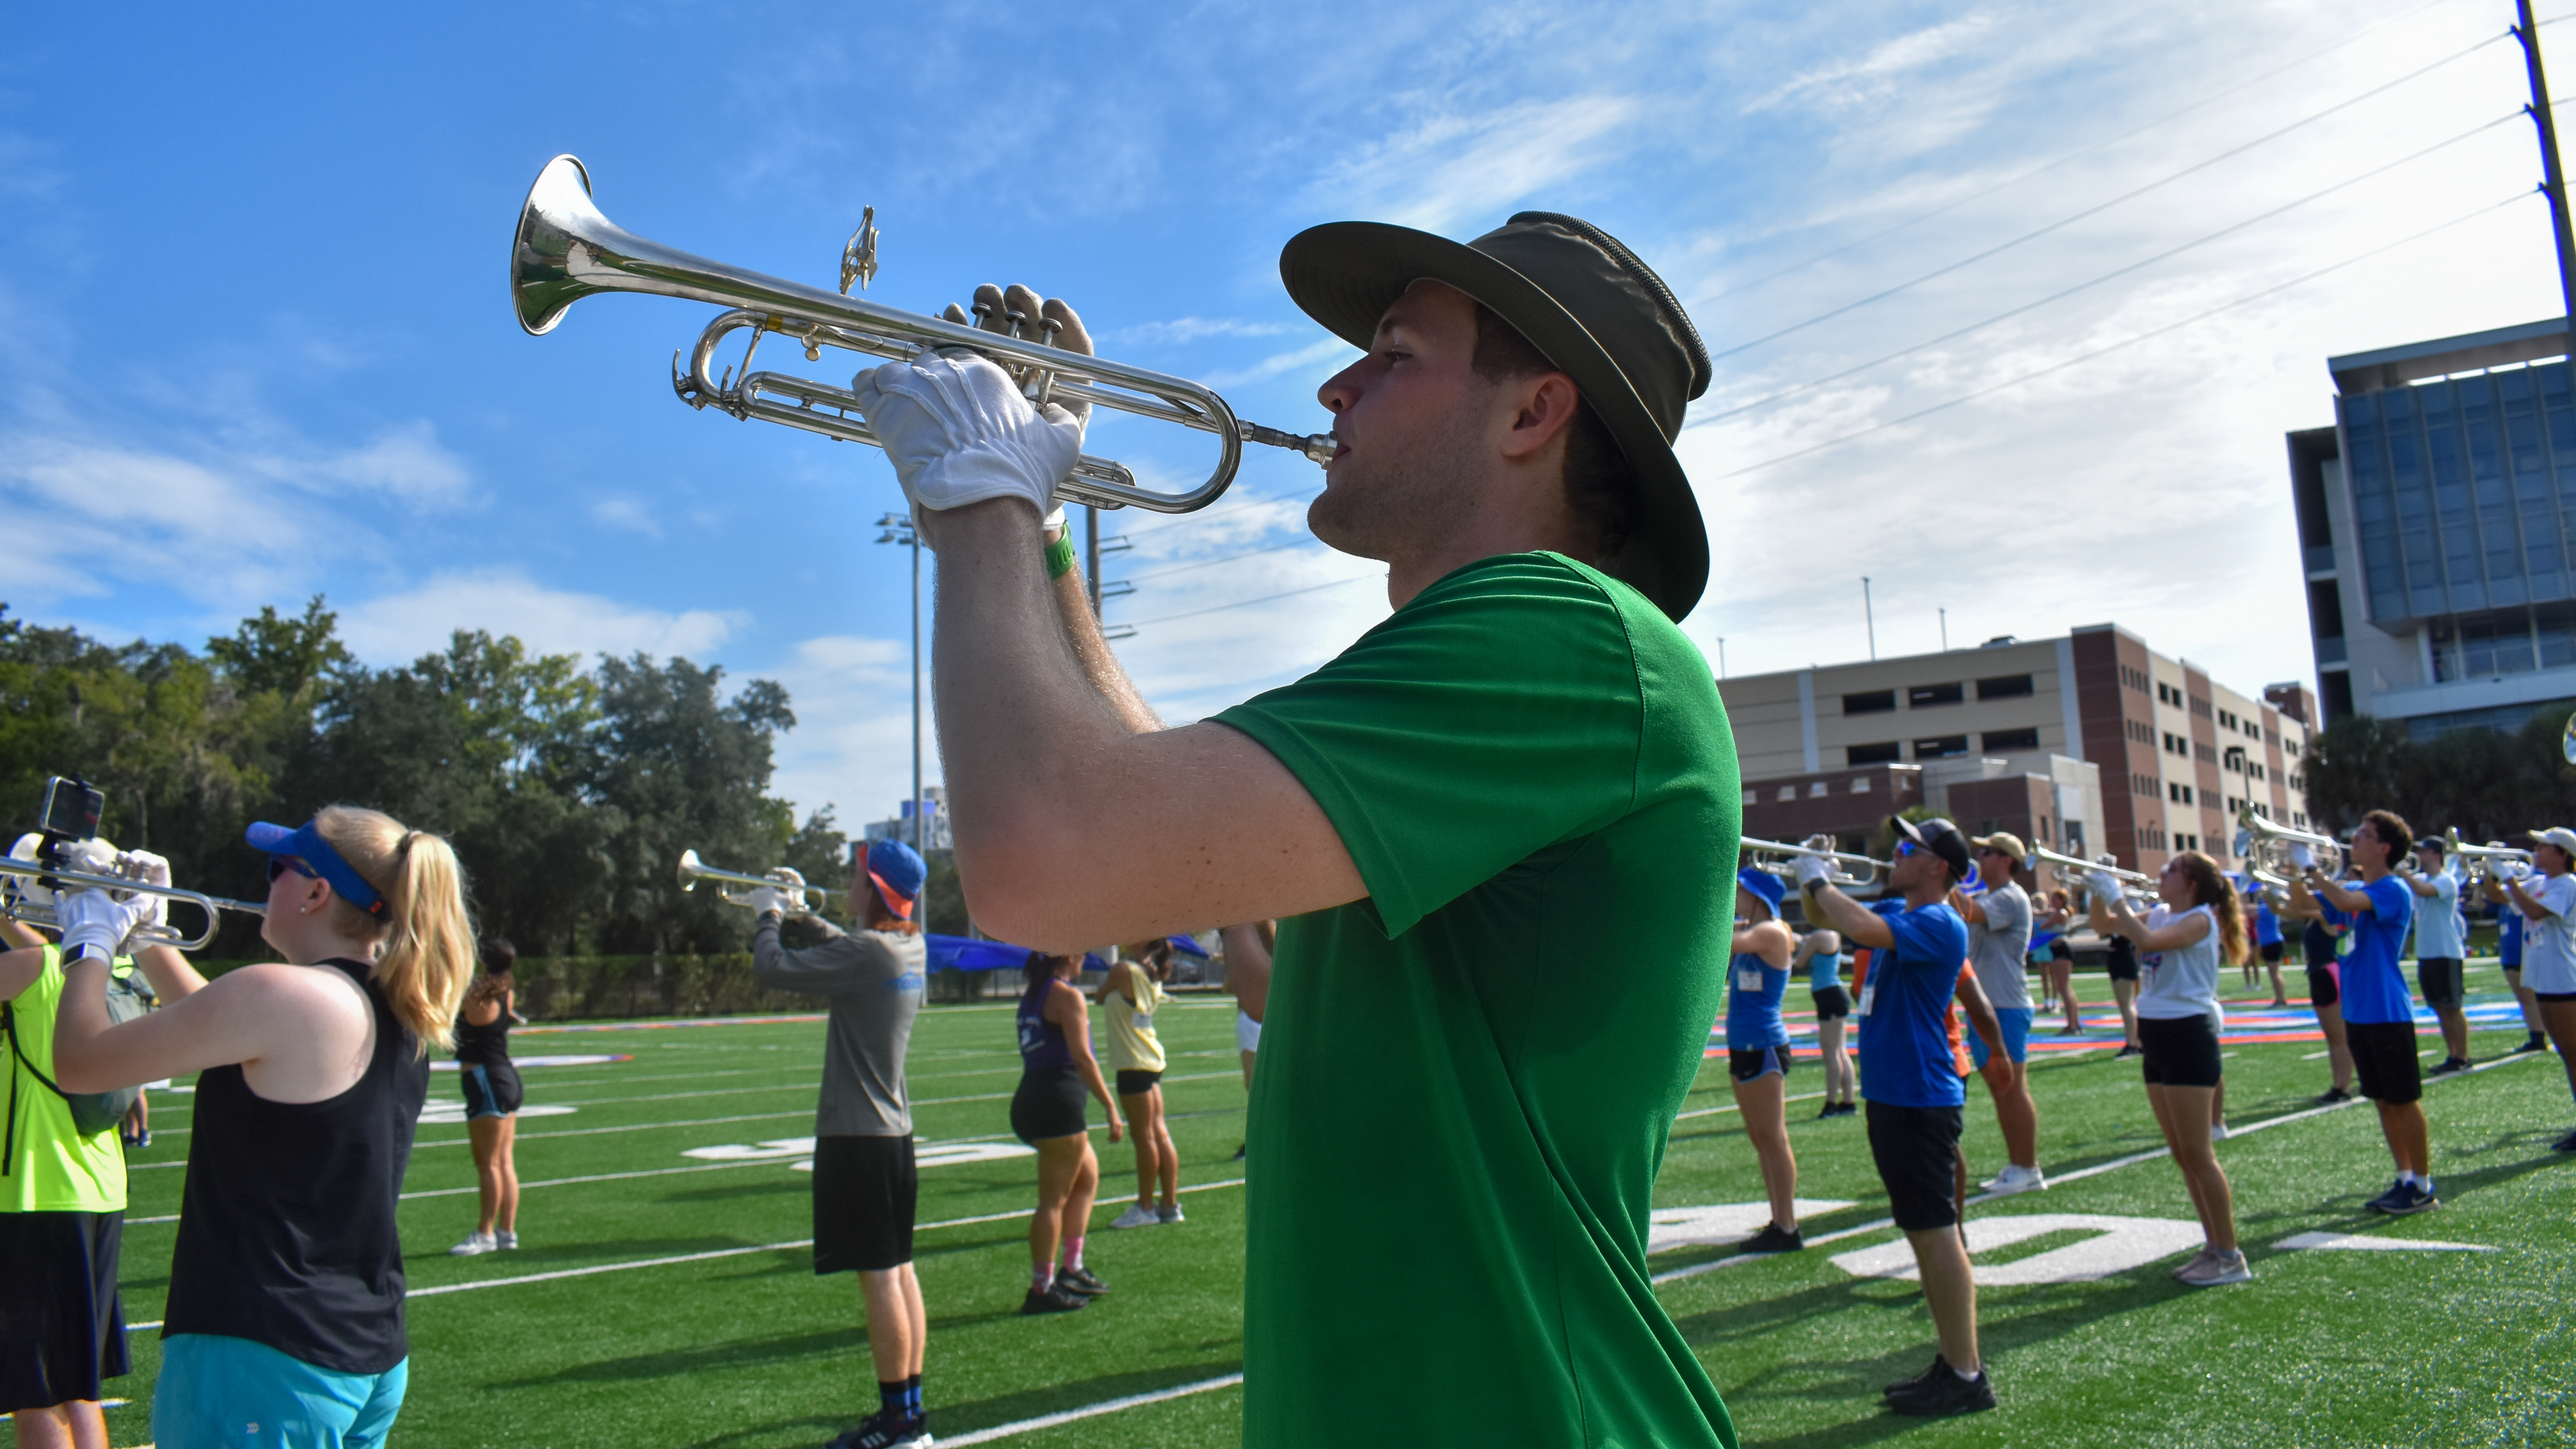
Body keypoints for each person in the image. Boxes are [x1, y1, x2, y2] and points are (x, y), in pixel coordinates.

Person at [852, 210, 1739, 1443]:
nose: (1334, 383)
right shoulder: (1508, 646)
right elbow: (1148, 811)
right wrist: (1045, 533)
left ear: (1533, 414)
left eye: (1393, 353)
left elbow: (1041, 860)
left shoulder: (1562, 631)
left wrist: (975, 499)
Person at [49, 808, 472, 1449]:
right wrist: (148, 934)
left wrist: (90, 941)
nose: (267, 880)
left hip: (261, 1348)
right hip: (360, 1344)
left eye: (279, 867)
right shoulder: (395, 1001)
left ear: (315, 891)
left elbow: (80, 1063)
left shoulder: (281, 995)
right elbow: (216, 1023)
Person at [1801, 816, 2005, 1418]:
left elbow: (1855, 923)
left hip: (1919, 1094)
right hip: (1898, 1092)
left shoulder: (1939, 919)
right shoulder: (1909, 914)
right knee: (1922, 1229)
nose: (1897, 852)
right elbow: (1829, 919)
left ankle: (1967, 1374)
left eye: (1910, 847)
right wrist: (1818, 883)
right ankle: (1953, 1359)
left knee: (1936, 1230)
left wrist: (1816, 876)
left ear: (1938, 866)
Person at [747, 838, 933, 1449]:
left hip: (858, 1134)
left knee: (879, 1277)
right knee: (900, 1270)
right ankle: (909, 1411)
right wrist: (805, 914)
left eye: (857, 874)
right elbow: (849, 947)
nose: (849, 882)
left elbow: (772, 968)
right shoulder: (907, 945)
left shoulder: (871, 951)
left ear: (875, 888)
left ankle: (897, 1423)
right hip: (894, 1136)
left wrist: (769, 915)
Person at [0, 866, 151, 1449]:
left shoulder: (33, 971)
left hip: (36, 1189)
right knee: (75, 1380)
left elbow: (36, 959)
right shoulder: (120, 970)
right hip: (99, 1185)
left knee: (30, 1384)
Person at [2089, 851, 2253, 1287]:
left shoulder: (2200, 919)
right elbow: (2105, 926)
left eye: (2172, 870)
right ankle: (2213, 1245)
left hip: (2188, 1035)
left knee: (2199, 1153)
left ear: (2193, 884)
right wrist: (2097, 890)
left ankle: (2230, 1254)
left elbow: (2146, 942)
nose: (2162, 874)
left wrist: (2116, 897)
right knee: (2182, 1153)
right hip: (2157, 1034)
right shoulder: (2160, 912)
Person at [2287, 811, 2435, 1215]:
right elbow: (2300, 908)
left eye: (2365, 835)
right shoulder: (2349, 885)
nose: (2355, 838)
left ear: (2384, 848)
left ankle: (2423, 1185)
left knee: (2404, 1100)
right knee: (2383, 1102)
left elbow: (2346, 902)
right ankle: (2404, 1178)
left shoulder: (2394, 889)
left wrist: (2310, 865)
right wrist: (2294, 870)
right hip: (2359, 1011)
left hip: (2387, 1009)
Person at [1011, 953, 1121, 1315]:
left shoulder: (1036, 991)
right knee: (1052, 1201)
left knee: (1087, 1176)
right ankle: (1041, 1288)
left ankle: (1072, 1267)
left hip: (1034, 1094)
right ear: (1069, 954)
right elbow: (1083, 1056)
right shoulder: (1067, 995)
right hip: (1057, 1101)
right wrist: (1109, 1105)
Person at [1953, 834, 2041, 1195]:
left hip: (2005, 1004)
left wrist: (1943, 872)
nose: (1979, 857)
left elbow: (1968, 912)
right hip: (1988, 1006)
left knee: (2012, 1089)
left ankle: (2028, 1167)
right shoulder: (1992, 896)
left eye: (1986, 852)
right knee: (2000, 1090)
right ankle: (2017, 1164)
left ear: (2007, 859)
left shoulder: (2010, 896)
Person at [1728, 867, 1802, 1252]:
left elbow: (1727, 942)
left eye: (1741, 889)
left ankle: (1788, 1226)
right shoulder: (1753, 931)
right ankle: (1778, 1220)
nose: (1735, 894)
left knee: (1773, 1138)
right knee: (1761, 1138)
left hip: (1764, 1043)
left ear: (1758, 895)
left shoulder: (1771, 932)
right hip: (1744, 1044)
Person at [2497, 828, 2576, 1152]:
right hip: (2545, 979)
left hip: (2564, 979)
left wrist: (2510, 880)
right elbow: (2499, 897)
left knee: (2574, 1053)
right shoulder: (2541, 882)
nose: (2536, 850)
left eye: (2544, 846)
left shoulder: (2569, 884)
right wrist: (2495, 870)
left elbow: (2534, 911)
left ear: (2562, 853)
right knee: (2567, 1054)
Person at [1100, 939, 1181, 1229]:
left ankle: (1145, 1206)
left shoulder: (1125, 970)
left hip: (1133, 1062)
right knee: (1160, 1132)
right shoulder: (1153, 971)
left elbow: (1099, 996)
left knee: (1144, 1136)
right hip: (1149, 1058)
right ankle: (1169, 1204)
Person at [449, 938, 522, 1257]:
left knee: (487, 1163)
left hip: (484, 1078)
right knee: (504, 1161)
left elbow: (445, 1012)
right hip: (506, 1076)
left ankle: (486, 1233)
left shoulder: (476, 994)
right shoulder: (505, 991)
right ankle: (507, 1232)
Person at [2400, 839, 2470, 1077]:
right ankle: (2453, 1054)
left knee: (2453, 1007)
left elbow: (2423, 892)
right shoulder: (2424, 878)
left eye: (2423, 850)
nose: (2418, 854)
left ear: (2435, 855)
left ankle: (2462, 1056)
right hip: (2427, 953)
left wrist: (2402, 872)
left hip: (2446, 951)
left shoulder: (2446, 880)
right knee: (2440, 1008)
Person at [2482, 855, 2552, 1054]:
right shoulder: (2515, 889)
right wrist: (2489, 871)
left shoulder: (2535, 883)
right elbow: (2494, 896)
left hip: (2528, 947)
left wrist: (2507, 875)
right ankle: (2535, 1035)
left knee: (2531, 996)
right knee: (2523, 997)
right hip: (2510, 949)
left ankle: (2540, 1036)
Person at [1220, 920, 1272, 1163]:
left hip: (1254, 1021)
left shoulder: (1251, 922)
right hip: (1260, 1019)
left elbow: (1257, 1003)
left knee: (1258, 1089)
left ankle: (1259, 1142)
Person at [1798, 924, 1854, 1117]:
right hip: (1832, 996)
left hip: (1829, 997)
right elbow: (1807, 942)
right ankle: (1848, 1102)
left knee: (1831, 1055)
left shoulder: (1820, 936)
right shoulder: (1831, 934)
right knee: (1841, 1052)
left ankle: (1831, 1104)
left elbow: (1799, 962)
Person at [2251, 884, 2289, 1007]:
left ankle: (2281, 999)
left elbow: (2250, 912)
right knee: (2273, 972)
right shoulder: (2267, 908)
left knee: (2274, 972)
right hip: (2269, 943)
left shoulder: (2269, 909)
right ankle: (2280, 998)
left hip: (2272, 943)